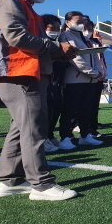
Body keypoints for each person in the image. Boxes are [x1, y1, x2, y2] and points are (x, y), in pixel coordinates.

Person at [0, 0, 78, 200]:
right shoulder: (8, 1)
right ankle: (41, 184)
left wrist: (58, 52)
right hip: (18, 73)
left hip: (25, 72)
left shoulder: (24, 4)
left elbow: (32, 41)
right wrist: (56, 47)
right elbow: (17, 36)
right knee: (34, 128)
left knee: (21, 127)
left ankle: (10, 181)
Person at [58, 12, 104, 149]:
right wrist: (93, 73)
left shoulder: (85, 38)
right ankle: (65, 137)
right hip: (74, 81)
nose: (81, 24)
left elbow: (94, 55)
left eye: (83, 21)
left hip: (90, 81)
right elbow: (75, 59)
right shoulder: (65, 36)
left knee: (86, 109)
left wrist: (98, 71)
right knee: (69, 110)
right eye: (78, 21)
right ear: (67, 22)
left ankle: (85, 135)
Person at [41, 14, 66, 152]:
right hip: (42, 82)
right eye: (52, 28)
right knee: (45, 111)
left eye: (58, 28)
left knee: (56, 108)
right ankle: (42, 139)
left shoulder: (58, 44)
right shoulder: (40, 42)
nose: (56, 30)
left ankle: (50, 135)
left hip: (55, 82)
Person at [84, 19, 107, 138]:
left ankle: (92, 127)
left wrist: (102, 73)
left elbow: (100, 58)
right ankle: (82, 128)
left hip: (98, 78)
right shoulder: (79, 41)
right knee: (85, 105)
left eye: (90, 28)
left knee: (94, 105)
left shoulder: (95, 41)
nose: (88, 31)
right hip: (85, 78)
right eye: (85, 28)